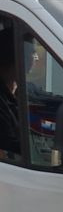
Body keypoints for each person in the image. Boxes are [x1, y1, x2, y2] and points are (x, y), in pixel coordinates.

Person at [0, 31, 21, 163]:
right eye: (31, 53)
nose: (36, 58)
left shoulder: (24, 88)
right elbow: (9, 144)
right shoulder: (2, 99)